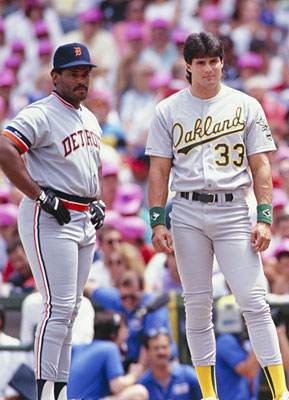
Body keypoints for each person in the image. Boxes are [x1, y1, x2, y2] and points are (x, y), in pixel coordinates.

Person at [145, 32, 289, 400]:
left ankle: (280, 393)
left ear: (222, 62)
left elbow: (262, 167)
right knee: (197, 305)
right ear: (188, 66)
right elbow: (158, 172)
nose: (210, 68)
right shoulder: (167, 110)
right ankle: (209, 395)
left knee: (255, 300)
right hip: (186, 208)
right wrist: (156, 220)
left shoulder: (245, 105)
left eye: (214, 61)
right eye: (201, 62)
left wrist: (264, 217)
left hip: (233, 207)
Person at [0, 42, 106, 400]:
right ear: (55, 77)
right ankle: (45, 392)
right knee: (57, 308)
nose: (81, 79)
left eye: (85, 73)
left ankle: (59, 391)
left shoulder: (88, 117)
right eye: (73, 73)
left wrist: (99, 199)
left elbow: (92, 167)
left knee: (71, 311)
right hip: (50, 214)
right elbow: (5, 148)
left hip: (81, 218)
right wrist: (39, 195)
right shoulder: (41, 112)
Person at [67, 311, 148, 400]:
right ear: (113, 334)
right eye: (124, 328)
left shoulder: (78, 348)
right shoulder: (110, 347)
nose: (127, 334)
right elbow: (117, 386)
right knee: (139, 392)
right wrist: (133, 375)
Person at [138, 328, 201, 400]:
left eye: (164, 347)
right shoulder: (143, 384)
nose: (161, 352)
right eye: (156, 348)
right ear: (147, 351)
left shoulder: (187, 375)